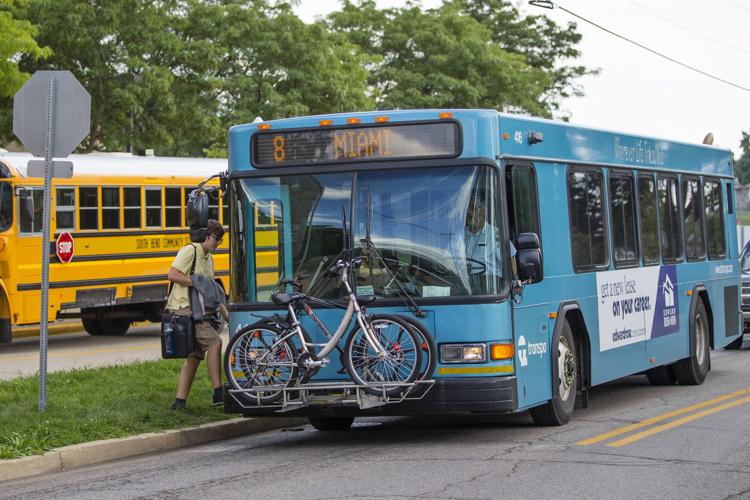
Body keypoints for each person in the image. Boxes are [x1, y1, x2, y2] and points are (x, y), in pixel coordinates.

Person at [167, 219, 226, 409]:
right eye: (217, 239)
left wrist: (226, 314)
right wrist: (196, 282)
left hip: (200, 311)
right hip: (185, 310)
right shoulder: (190, 251)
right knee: (215, 343)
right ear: (207, 236)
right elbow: (173, 274)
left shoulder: (209, 258)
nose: (218, 243)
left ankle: (179, 402)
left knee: (195, 356)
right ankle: (218, 394)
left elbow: (212, 291)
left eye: (221, 240)